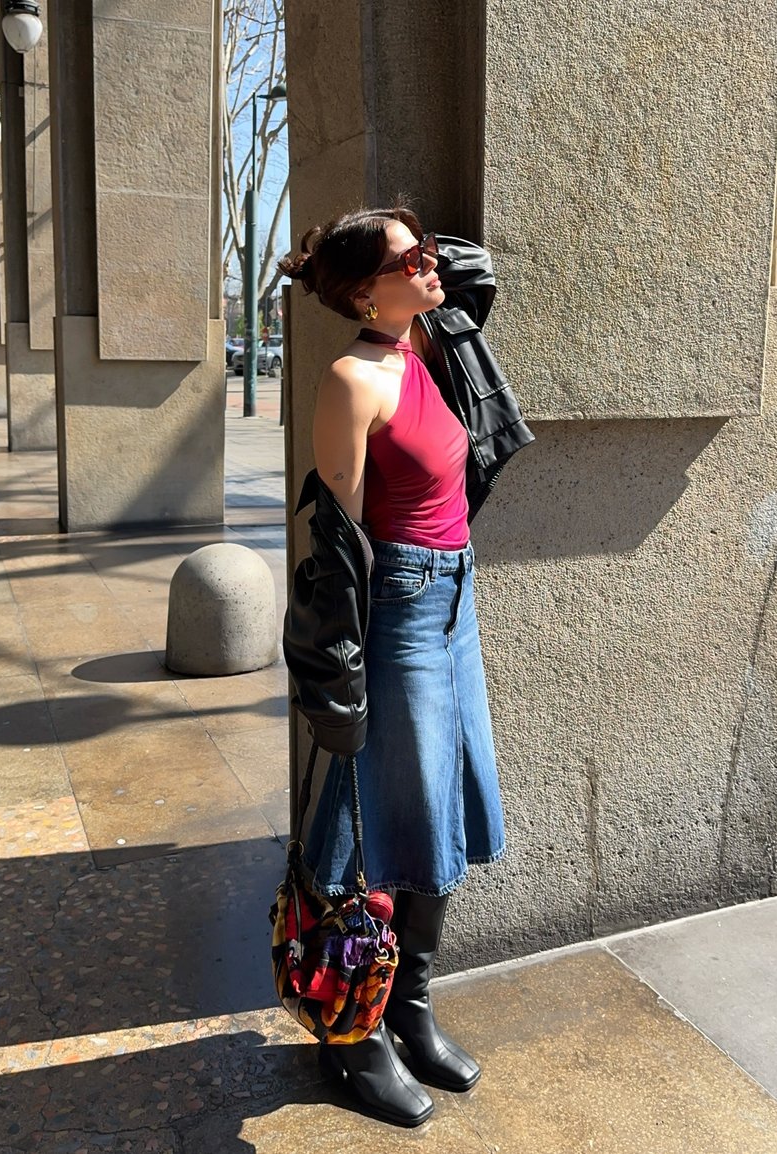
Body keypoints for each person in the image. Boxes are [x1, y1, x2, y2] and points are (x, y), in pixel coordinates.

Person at [279, 206, 533, 1128]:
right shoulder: (352, 379)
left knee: (449, 806)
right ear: (360, 292)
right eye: (408, 258)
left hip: (457, 601)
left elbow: (475, 268)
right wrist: (341, 667)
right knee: (376, 821)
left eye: (426, 251)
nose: (432, 264)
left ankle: (412, 1004)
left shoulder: (428, 338)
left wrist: (414, 247)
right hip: (400, 614)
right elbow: (339, 539)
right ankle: (354, 1033)